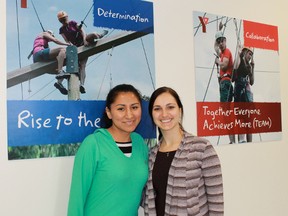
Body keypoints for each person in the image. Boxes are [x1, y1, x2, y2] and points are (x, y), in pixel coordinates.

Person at [67, 84, 149, 216]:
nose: (129, 115)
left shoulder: (139, 142)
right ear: (109, 112)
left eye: (134, 107)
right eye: (121, 109)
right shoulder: (93, 144)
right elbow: (77, 199)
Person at [144, 86, 224, 216]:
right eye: (157, 109)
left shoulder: (202, 148)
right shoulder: (151, 155)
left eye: (170, 107)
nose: (164, 114)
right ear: (152, 114)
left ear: (180, 110)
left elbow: (217, 205)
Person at [57, 10, 108, 94]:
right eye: (61, 20)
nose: (63, 21)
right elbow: (66, 40)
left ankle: (100, 34)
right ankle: (77, 84)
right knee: (78, 66)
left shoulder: (73, 23)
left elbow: (82, 31)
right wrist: (71, 48)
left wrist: (84, 40)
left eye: (64, 18)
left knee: (93, 35)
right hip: (76, 47)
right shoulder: (61, 30)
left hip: (84, 42)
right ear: (60, 21)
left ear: (67, 17)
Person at [31, 30, 71, 95]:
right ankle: (60, 72)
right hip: (39, 53)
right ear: (49, 33)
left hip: (40, 61)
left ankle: (59, 83)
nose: (51, 39)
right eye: (52, 36)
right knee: (62, 50)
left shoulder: (44, 42)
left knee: (64, 72)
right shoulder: (44, 33)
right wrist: (67, 44)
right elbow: (55, 40)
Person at [214, 31, 235, 144]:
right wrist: (217, 34)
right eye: (219, 41)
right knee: (226, 113)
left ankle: (232, 140)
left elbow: (225, 64)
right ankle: (232, 139)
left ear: (225, 41)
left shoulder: (226, 52)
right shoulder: (221, 54)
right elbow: (215, 47)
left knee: (226, 113)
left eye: (222, 41)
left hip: (226, 82)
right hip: (223, 83)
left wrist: (218, 61)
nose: (220, 43)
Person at [233, 46, 255, 142]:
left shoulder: (249, 66)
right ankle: (241, 142)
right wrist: (239, 55)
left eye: (251, 55)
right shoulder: (240, 61)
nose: (250, 56)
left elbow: (252, 82)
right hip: (239, 91)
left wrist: (253, 68)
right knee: (240, 120)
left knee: (248, 120)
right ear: (245, 52)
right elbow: (234, 75)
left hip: (247, 93)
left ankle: (250, 143)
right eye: (249, 54)